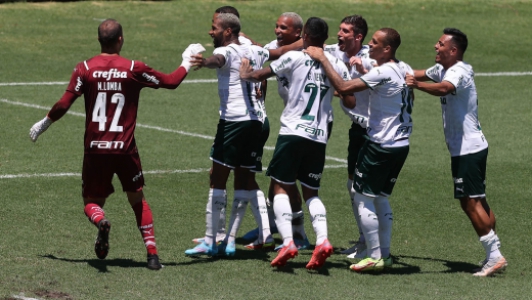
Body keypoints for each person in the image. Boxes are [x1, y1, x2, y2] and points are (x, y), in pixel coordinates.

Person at [28, 19, 204, 270]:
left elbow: (64, 104)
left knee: (91, 201)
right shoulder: (133, 68)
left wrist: (44, 123)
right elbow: (171, 81)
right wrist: (188, 60)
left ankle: (101, 221)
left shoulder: (84, 68)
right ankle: (152, 256)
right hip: (125, 149)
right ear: (120, 39)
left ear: (99, 40)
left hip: (95, 149)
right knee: (137, 200)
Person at [240, 17, 355, 269]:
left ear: (304, 35)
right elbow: (350, 101)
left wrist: (245, 71)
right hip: (320, 135)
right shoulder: (336, 64)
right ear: (325, 39)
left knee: (280, 186)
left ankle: (290, 241)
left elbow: (259, 74)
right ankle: (322, 240)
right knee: (311, 191)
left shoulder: (294, 58)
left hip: (293, 131)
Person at [306, 27, 414, 273]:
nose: (370, 45)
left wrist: (323, 58)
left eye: (375, 43)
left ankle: (373, 255)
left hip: (381, 144)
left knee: (361, 195)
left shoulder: (384, 71)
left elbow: (344, 88)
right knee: (381, 197)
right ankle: (383, 254)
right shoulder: (403, 68)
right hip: (401, 143)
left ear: (387, 49)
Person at [405, 28, 507, 277]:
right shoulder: (441, 68)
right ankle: (492, 254)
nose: (435, 47)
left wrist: (417, 85)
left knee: (469, 202)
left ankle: (495, 257)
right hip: (471, 146)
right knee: (479, 200)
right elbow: (414, 73)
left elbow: (444, 88)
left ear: (453, 50)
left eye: (440, 44)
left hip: (468, 149)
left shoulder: (458, 71)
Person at [183, 13, 271, 257]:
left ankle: (211, 241)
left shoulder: (229, 51)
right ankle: (230, 240)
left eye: (214, 28)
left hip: (233, 122)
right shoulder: (256, 51)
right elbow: (275, 54)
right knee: (243, 181)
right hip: (256, 122)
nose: (211, 32)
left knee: (217, 180)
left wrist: (204, 61)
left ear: (228, 31)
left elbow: (218, 59)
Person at [243, 12, 311, 252]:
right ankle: (271, 227)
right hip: (289, 121)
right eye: (277, 26)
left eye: (284, 28)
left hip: (304, 125)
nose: (278, 31)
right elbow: (263, 54)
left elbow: (299, 46)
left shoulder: (306, 51)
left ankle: (299, 234)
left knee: (285, 180)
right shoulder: (275, 46)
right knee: (279, 178)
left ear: (298, 33)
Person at [323, 14, 376, 259]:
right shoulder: (336, 50)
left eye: (345, 31)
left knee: (364, 190)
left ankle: (374, 247)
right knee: (352, 185)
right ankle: (364, 239)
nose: (339, 34)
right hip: (357, 129)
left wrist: (356, 76)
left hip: (374, 131)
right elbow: (312, 45)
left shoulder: (371, 59)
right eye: (339, 30)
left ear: (358, 36)